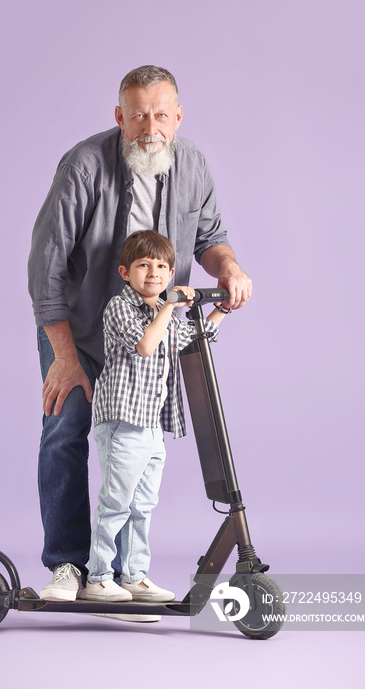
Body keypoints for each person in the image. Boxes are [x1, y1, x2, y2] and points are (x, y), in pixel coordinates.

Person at [28, 65, 252, 604]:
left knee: (132, 454)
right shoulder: (84, 165)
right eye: (137, 116)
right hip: (79, 330)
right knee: (66, 434)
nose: (149, 126)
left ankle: (125, 575)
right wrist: (62, 354)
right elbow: (46, 265)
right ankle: (67, 566)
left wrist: (229, 268)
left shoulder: (193, 164)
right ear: (119, 118)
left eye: (160, 114)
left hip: (148, 341)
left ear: (177, 116)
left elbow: (211, 237)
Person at [84, 231, 229, 602]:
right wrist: (170, 305)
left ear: (171, 271)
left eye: (162, 266)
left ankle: (133, 576)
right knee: (116, 502)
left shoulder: (159, 314)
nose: (153, 272)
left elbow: (191, 338)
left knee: (142, 505)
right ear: (125, 272)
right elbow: (146, 346)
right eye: (143, 265)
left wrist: (221, 308)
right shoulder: (121, 307)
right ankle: (98, 577)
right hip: (122, 421)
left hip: (151, 427)